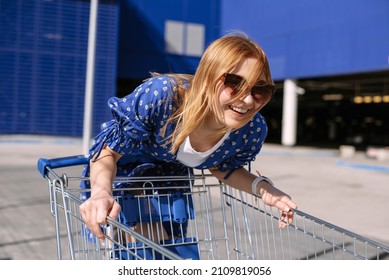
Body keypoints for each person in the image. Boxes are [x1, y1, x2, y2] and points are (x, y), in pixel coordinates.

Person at [79, 33, 298, 243]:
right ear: (208, 76)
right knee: (141, 247)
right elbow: (108, 151)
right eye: (235, 83)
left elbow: (224, 168)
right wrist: (100, 192)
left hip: (168, 182)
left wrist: (264, 188)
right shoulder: (163, 98)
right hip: (122, 171)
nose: (248, 100)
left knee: (169, 250)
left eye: (260, 90)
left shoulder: (250, 130)